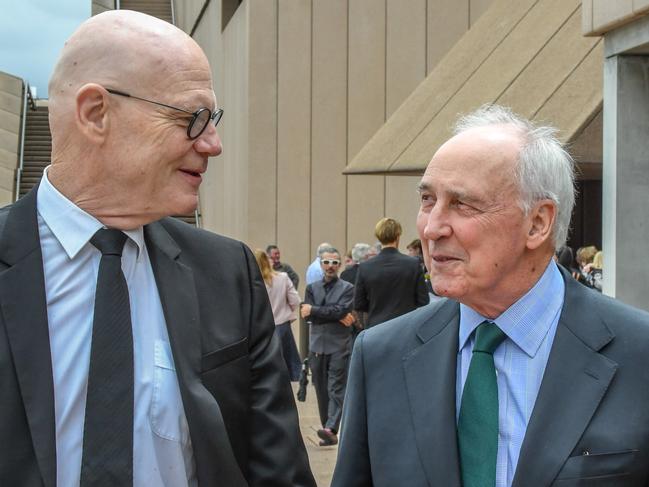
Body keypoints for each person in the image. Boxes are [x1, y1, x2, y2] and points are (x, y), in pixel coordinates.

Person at [0, 11, 315, 487]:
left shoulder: (227, 272)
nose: (213, 143)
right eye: (192, 118)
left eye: (212, 120)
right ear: (95, 113)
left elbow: (278, 470)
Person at [332, 105, 649, 487]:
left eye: (462, 204)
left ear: (537, 222)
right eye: (428, 200)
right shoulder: (381, 355)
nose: (432, 228)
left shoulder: (638, 353)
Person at [301, 247, 354, 447]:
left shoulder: (347, 288)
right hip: (317, 345)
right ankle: (327, 428)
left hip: (339, 345)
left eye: (334, 262)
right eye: (326, 262)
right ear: (320, 264)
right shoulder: (312, 288)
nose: (330, 266)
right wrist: (333, 314)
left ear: (339, 265)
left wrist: (316, 310)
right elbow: (308, 315)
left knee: (335, 388)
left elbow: (340, 309)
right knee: (320, 389)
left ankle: (331, 427)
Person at [354, 217, 429, 328]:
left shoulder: (365, 267)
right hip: (405, 327)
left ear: (378, 237)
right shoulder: (413, 264)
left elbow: (359, 304)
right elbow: (423, 300)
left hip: (376, 328)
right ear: (398, 236)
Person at [254, 249, 302, 380]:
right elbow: (295, 300)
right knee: (287, 362)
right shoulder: (282, 277)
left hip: (261, 327)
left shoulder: (253, 282)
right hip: (282, 324)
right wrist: (286, 310)